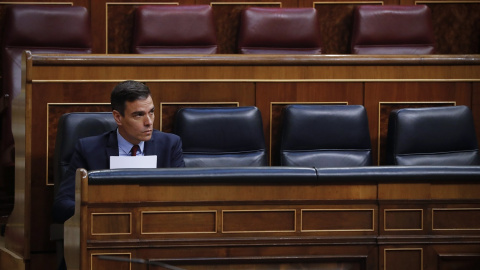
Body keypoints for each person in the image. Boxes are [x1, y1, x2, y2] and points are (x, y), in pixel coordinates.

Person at [52, 80, 185, 223]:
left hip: (156, 227)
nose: (149, 122)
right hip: (106, 229)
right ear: (118, 117)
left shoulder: (169, 145)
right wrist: (97, 212)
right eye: (138, 115)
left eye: (151, 112)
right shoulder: (89, 150)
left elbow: (185, 197)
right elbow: (62, 204)